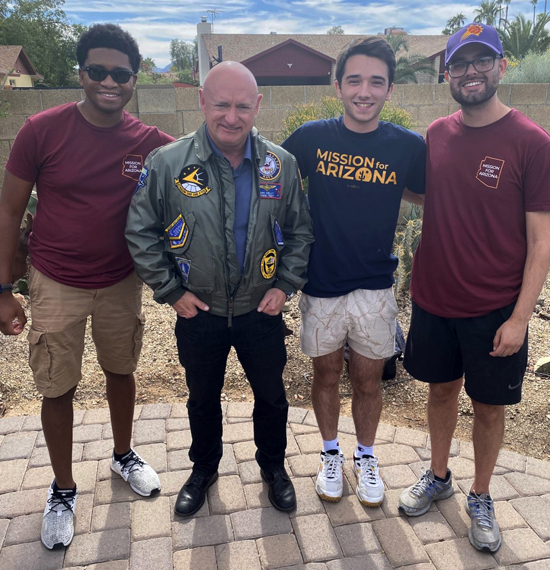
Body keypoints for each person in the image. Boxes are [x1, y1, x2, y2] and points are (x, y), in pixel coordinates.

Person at [0, 24, 174, 549]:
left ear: (133, 79)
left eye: (120, 74)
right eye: (97, 71)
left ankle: (123, 455)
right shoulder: (41, 130)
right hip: (55, 281)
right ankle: (63, 488)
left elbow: (204, 157)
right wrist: (3, 288)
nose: (108, 82)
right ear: (80, 73)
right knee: (58, 386)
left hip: (121, 280)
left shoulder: (148, 143)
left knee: (122, 371)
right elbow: (9, 211)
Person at [125, 61, 314, 516]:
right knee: (202, 398)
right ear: (202, 101)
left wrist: (286, 285)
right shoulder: (168, 162)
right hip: (199, 313)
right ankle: (203, 469)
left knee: (271, 397)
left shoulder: (279, 164)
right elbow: (140, 231)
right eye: (222, 104)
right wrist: (171, 290)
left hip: (260, 312)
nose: (232, 116)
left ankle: (273, 468)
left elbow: (301, 232)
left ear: (257, 106)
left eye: (243, 106)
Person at [399, 23, 550, 553]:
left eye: (482, 61)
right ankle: (439, 476)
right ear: (448, 73)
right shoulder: (436, 134)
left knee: (488, 406)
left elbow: (541, 242)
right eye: (461, 63)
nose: (471, 72)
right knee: (441, 391)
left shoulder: (532, 143)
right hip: (434, 300)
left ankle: (481, 494)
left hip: (494, 309)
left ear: (501, 67)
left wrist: (520, 318)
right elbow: (424, 194)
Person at [281, 37, 426, 507]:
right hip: (320, 285)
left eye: (377, 82)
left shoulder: (406, 146)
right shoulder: (311, 137)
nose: (365, 91)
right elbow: (270, 184)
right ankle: (329, 454)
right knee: (324, 376)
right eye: (356, 80)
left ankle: (365, 457)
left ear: (389, 90)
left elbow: (429, 198)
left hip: (375, 289)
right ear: (338, 84)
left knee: (368, 381)